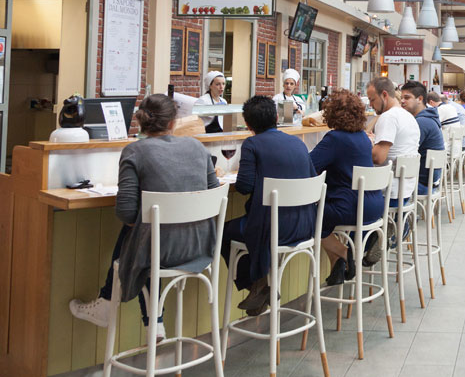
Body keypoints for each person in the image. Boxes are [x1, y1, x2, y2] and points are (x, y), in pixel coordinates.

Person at [69, 94, 219, 341]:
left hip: (159, 254)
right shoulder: (195, 146)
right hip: (201, 248)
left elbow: (126, 212)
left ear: (140, 123)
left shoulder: (134, 151)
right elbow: (214, 194)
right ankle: (152, 320)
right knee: (149, 234)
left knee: (144, 235)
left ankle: (117, 305)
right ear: (173, 122)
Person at [220, 96, 317, 315]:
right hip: (306, 226)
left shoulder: (252, 144)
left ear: (248, 125)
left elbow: (244, 186)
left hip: (270, 230)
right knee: (250, 225)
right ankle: (259, 286)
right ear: (276, 117)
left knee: (222, 232)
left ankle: (257, 283)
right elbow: (312, 178)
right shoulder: (297, 142)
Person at [309, 89, 382, 286]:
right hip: (373, 206)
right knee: (322, 215)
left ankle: (344, 253)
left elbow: (309, 166)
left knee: (306, 216)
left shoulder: (335, 138)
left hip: (350, 206)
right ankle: (337, 266)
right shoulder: (362, 138)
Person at [366, 77, 420, 203]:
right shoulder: (409, 116)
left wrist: (366, 145)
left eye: (372, 99)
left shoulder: (388, 117)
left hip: (388, 191)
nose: (370, 105)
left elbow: (378, 158)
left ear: (384, 95)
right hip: (406, 189)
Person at [399, 81, 445, 195]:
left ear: (419, 99)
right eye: (401, 98)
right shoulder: (427, 117)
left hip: (422, 184)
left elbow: (403, 151)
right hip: (431, 181)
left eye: (407, 97)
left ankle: (398, 213)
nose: (402, 101)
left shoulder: (421, 122)